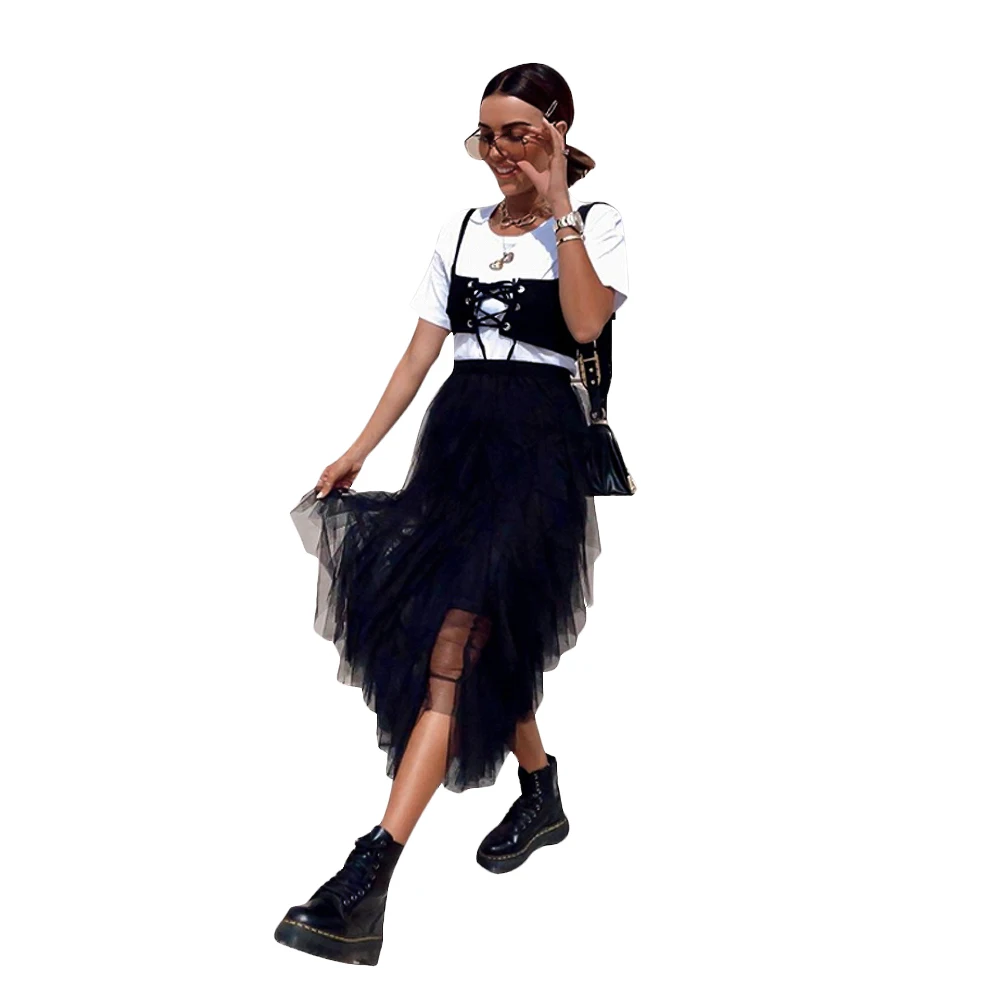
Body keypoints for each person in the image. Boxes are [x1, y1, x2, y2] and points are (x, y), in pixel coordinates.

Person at [274, 62, 629, 966]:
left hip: (539, 456)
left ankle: (368, 875)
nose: (502, 152)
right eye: (490, 135)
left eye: (521, 133)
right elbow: (419, 355)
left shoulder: (597, 224)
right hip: (459, 446)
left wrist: (561, 207)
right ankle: (540, 789)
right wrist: (358, 447)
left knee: (454, 644)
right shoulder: (461, 230)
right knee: (467, 633)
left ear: (557, 130)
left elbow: (585, 324)